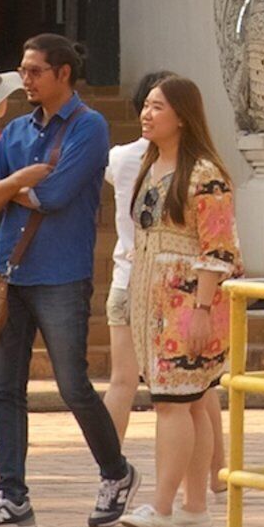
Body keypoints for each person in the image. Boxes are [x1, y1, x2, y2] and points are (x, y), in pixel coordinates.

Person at [0, 32, 133, 527]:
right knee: (5, 390)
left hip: (61, 274)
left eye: (35, 71)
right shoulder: (15, 130)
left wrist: (7, 190)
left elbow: (54, 194)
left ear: (63, 75)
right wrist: (15, 184)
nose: (27, 80)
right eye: (24, 70)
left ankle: (116, 473)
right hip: (12, 274)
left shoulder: (89, 127)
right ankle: (11, 494)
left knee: (74, 385)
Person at [115, 75, 241, 527]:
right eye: (146, 106)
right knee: (187, 403)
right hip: (152, 297)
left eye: (158, 108)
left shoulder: (204, 174)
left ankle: (163, 506)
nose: (147, 114)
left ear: (183, 117)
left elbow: (219, 248)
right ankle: (193, 505)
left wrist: (202, 310)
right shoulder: (152, 167)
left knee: (172, 403)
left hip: (187, 301)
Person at [104, 71, 172, 424]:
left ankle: (109, 470)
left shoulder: (120, 158)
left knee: (122, 382)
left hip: (127, 276)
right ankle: (214, 471)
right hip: (159, 282)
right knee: (187, 393)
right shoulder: (190, 164)